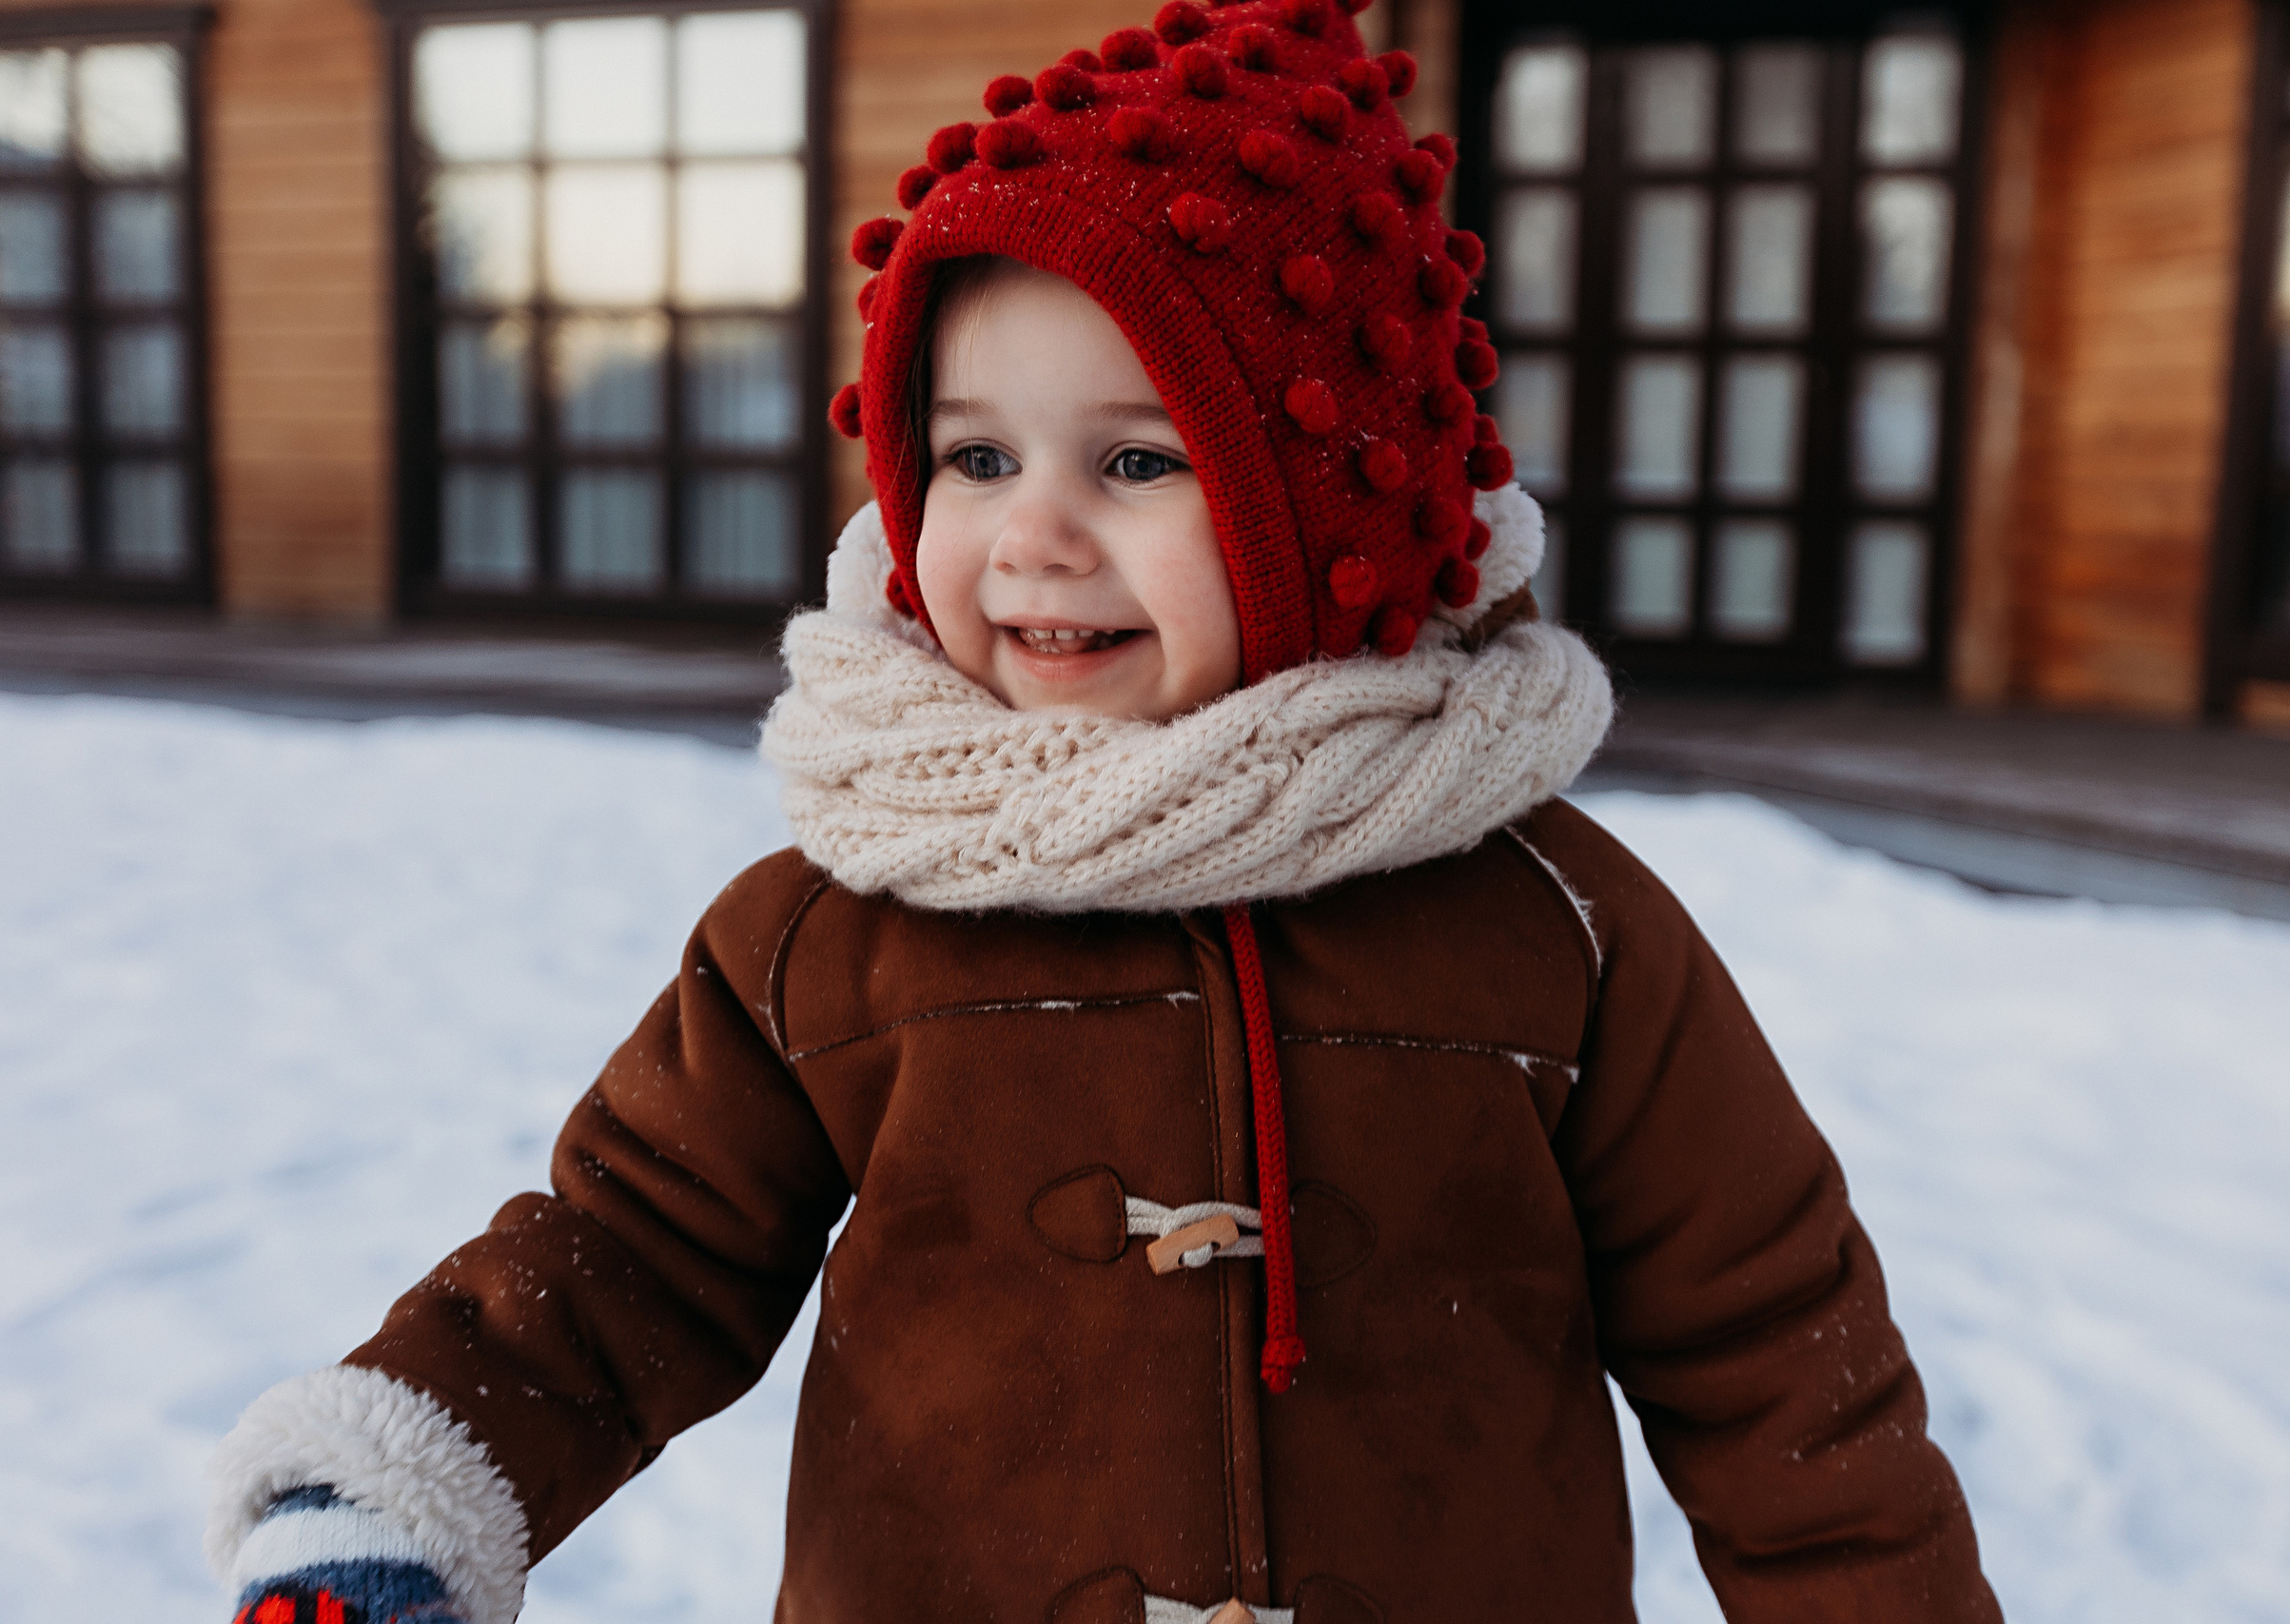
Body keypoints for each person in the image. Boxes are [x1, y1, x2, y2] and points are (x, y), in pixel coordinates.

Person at [206, 4, 2003, 1621]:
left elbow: (1777, 1351)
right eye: (975, 457)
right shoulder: (844, 924)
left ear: (1337, 505)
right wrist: (397, 1494)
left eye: (1138, 462)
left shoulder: (1554, 925)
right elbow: (629, 1256)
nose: (1033, 535)